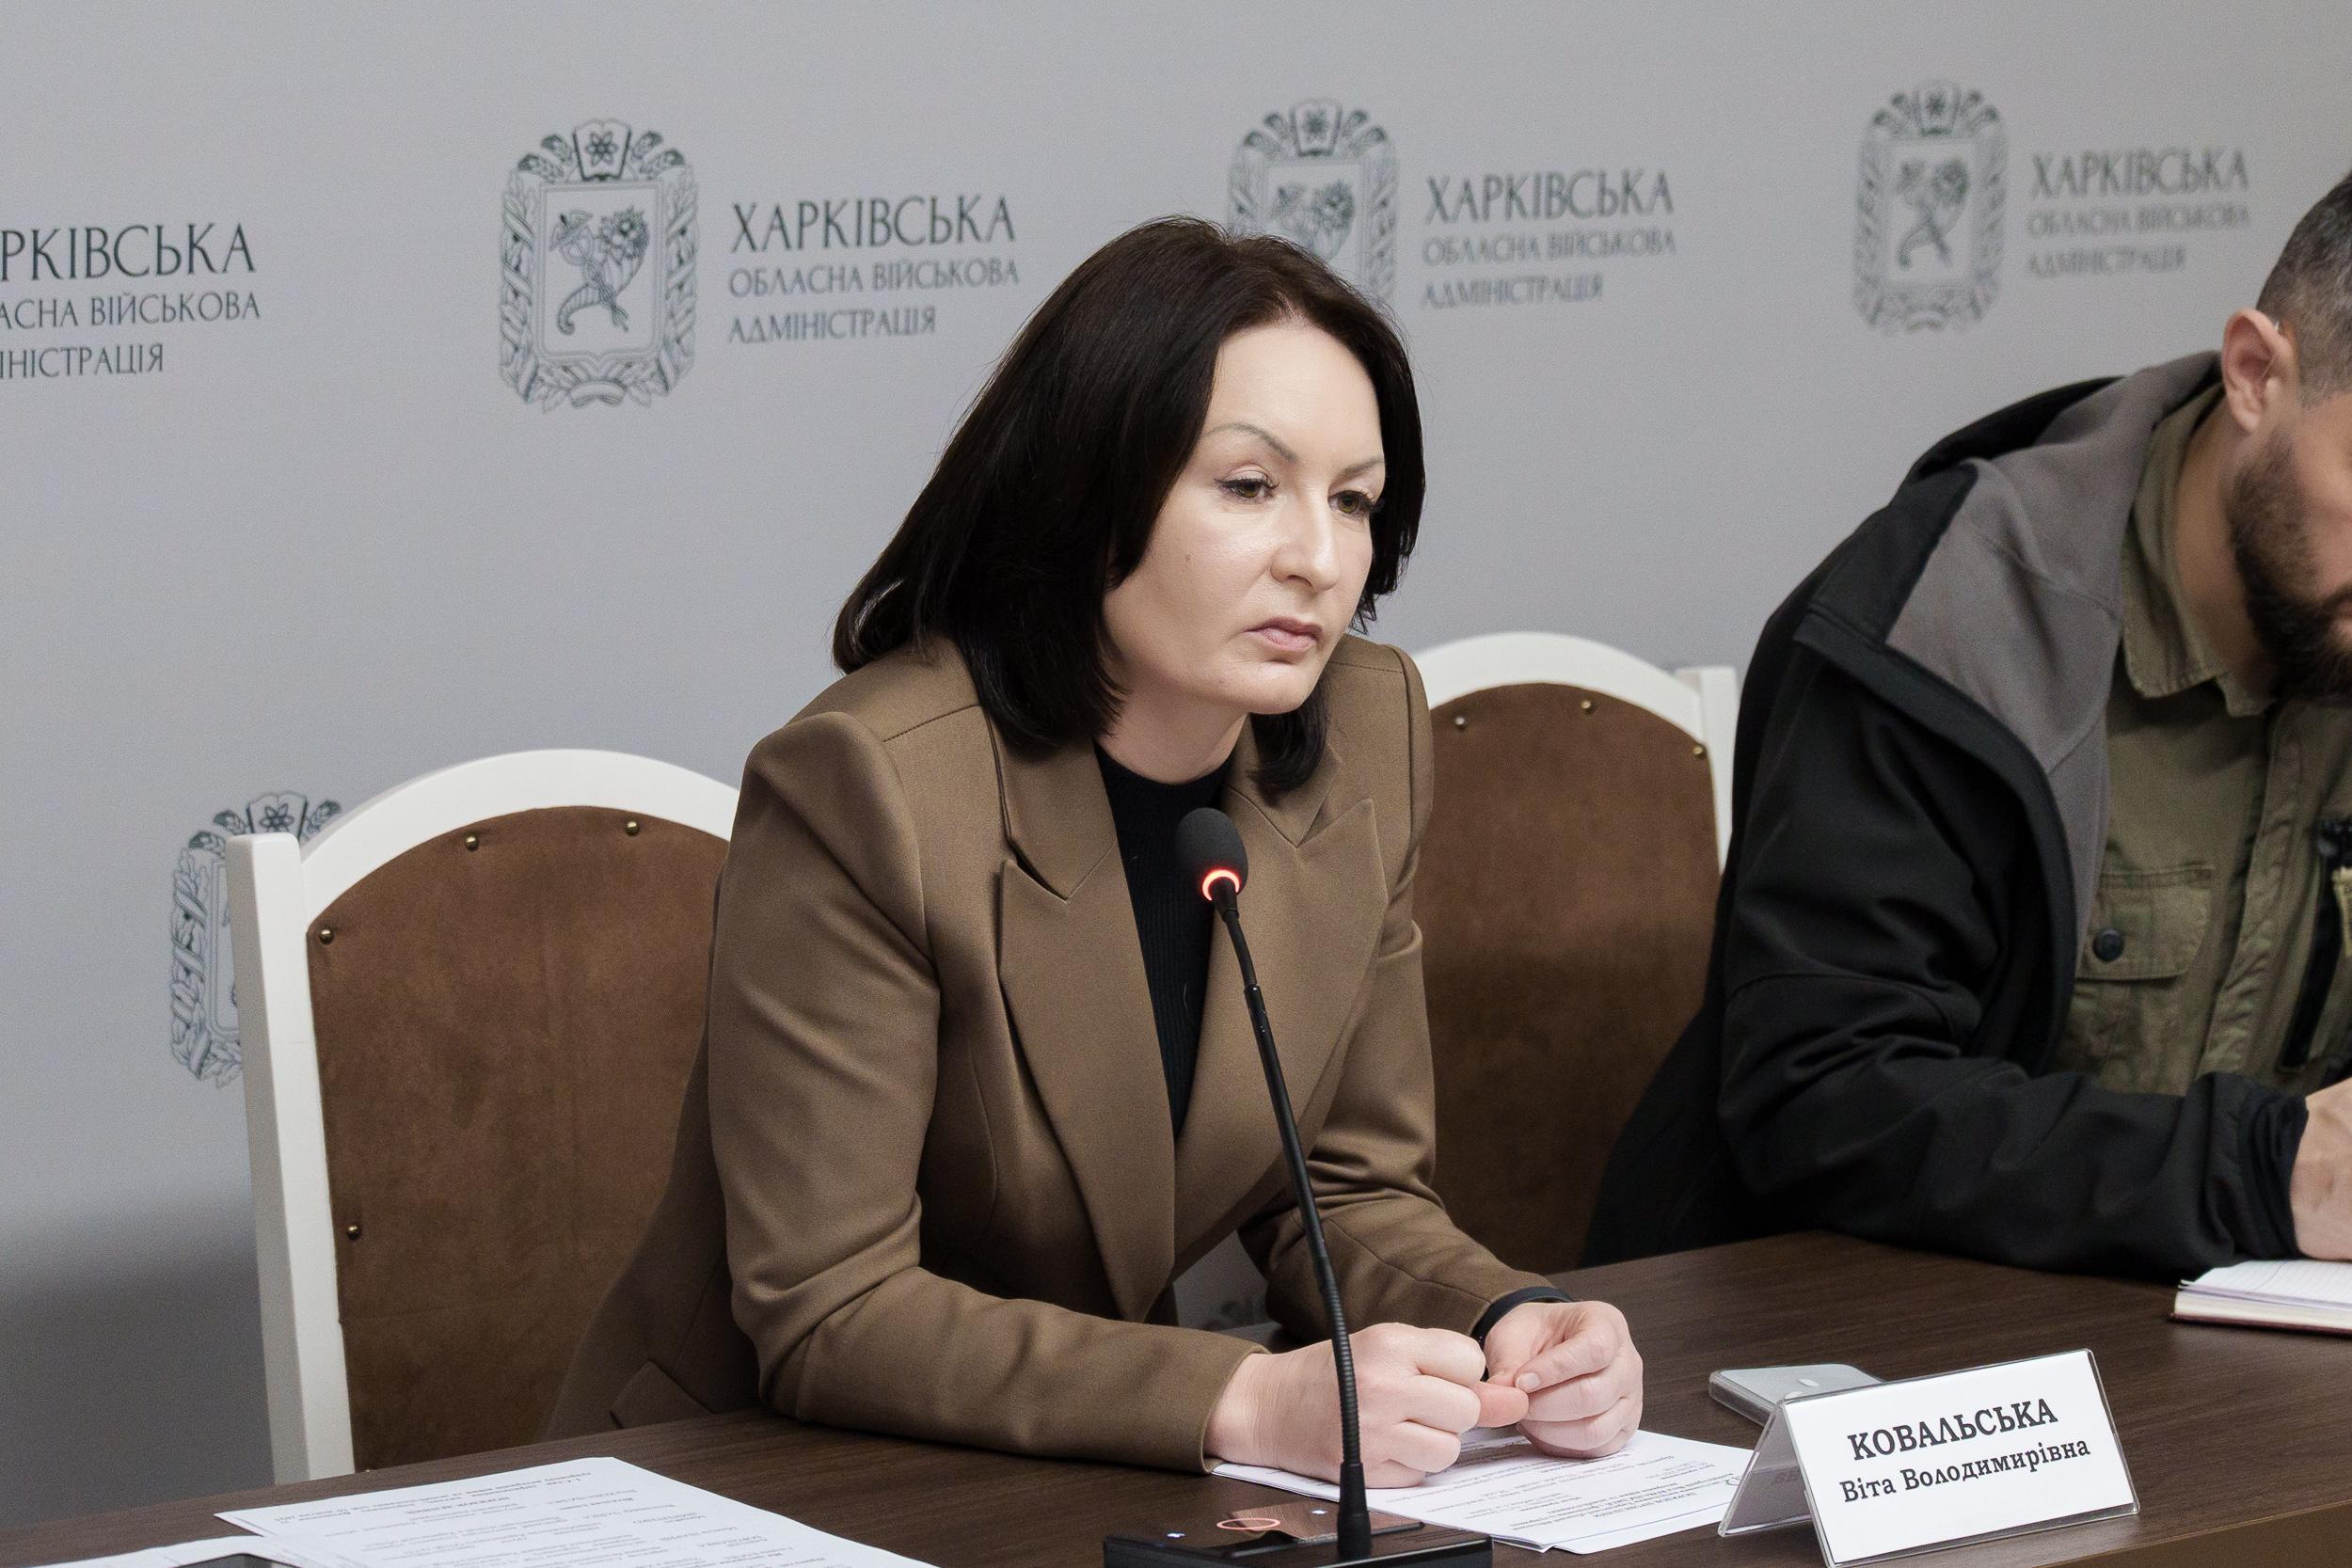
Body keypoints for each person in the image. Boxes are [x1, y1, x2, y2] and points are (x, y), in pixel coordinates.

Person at [548, 217, 1644, 1481]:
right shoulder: (869, 784)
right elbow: (832, 1307)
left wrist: (1510, 1316)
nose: (1319, 558)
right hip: (747, 1470)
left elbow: (1345, 1187)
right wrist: (1242, 1397)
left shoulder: (1364, 730)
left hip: (1061, 1466)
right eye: (1249, 486)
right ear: (1087, 491)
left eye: (1354, 500)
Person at [1587, 170, 2352, 1278]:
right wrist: (2263, 1173)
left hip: (2242, 1336)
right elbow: (1824, 1100)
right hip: (1867, 1325)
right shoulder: (1949, 621)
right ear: (2254, 373)